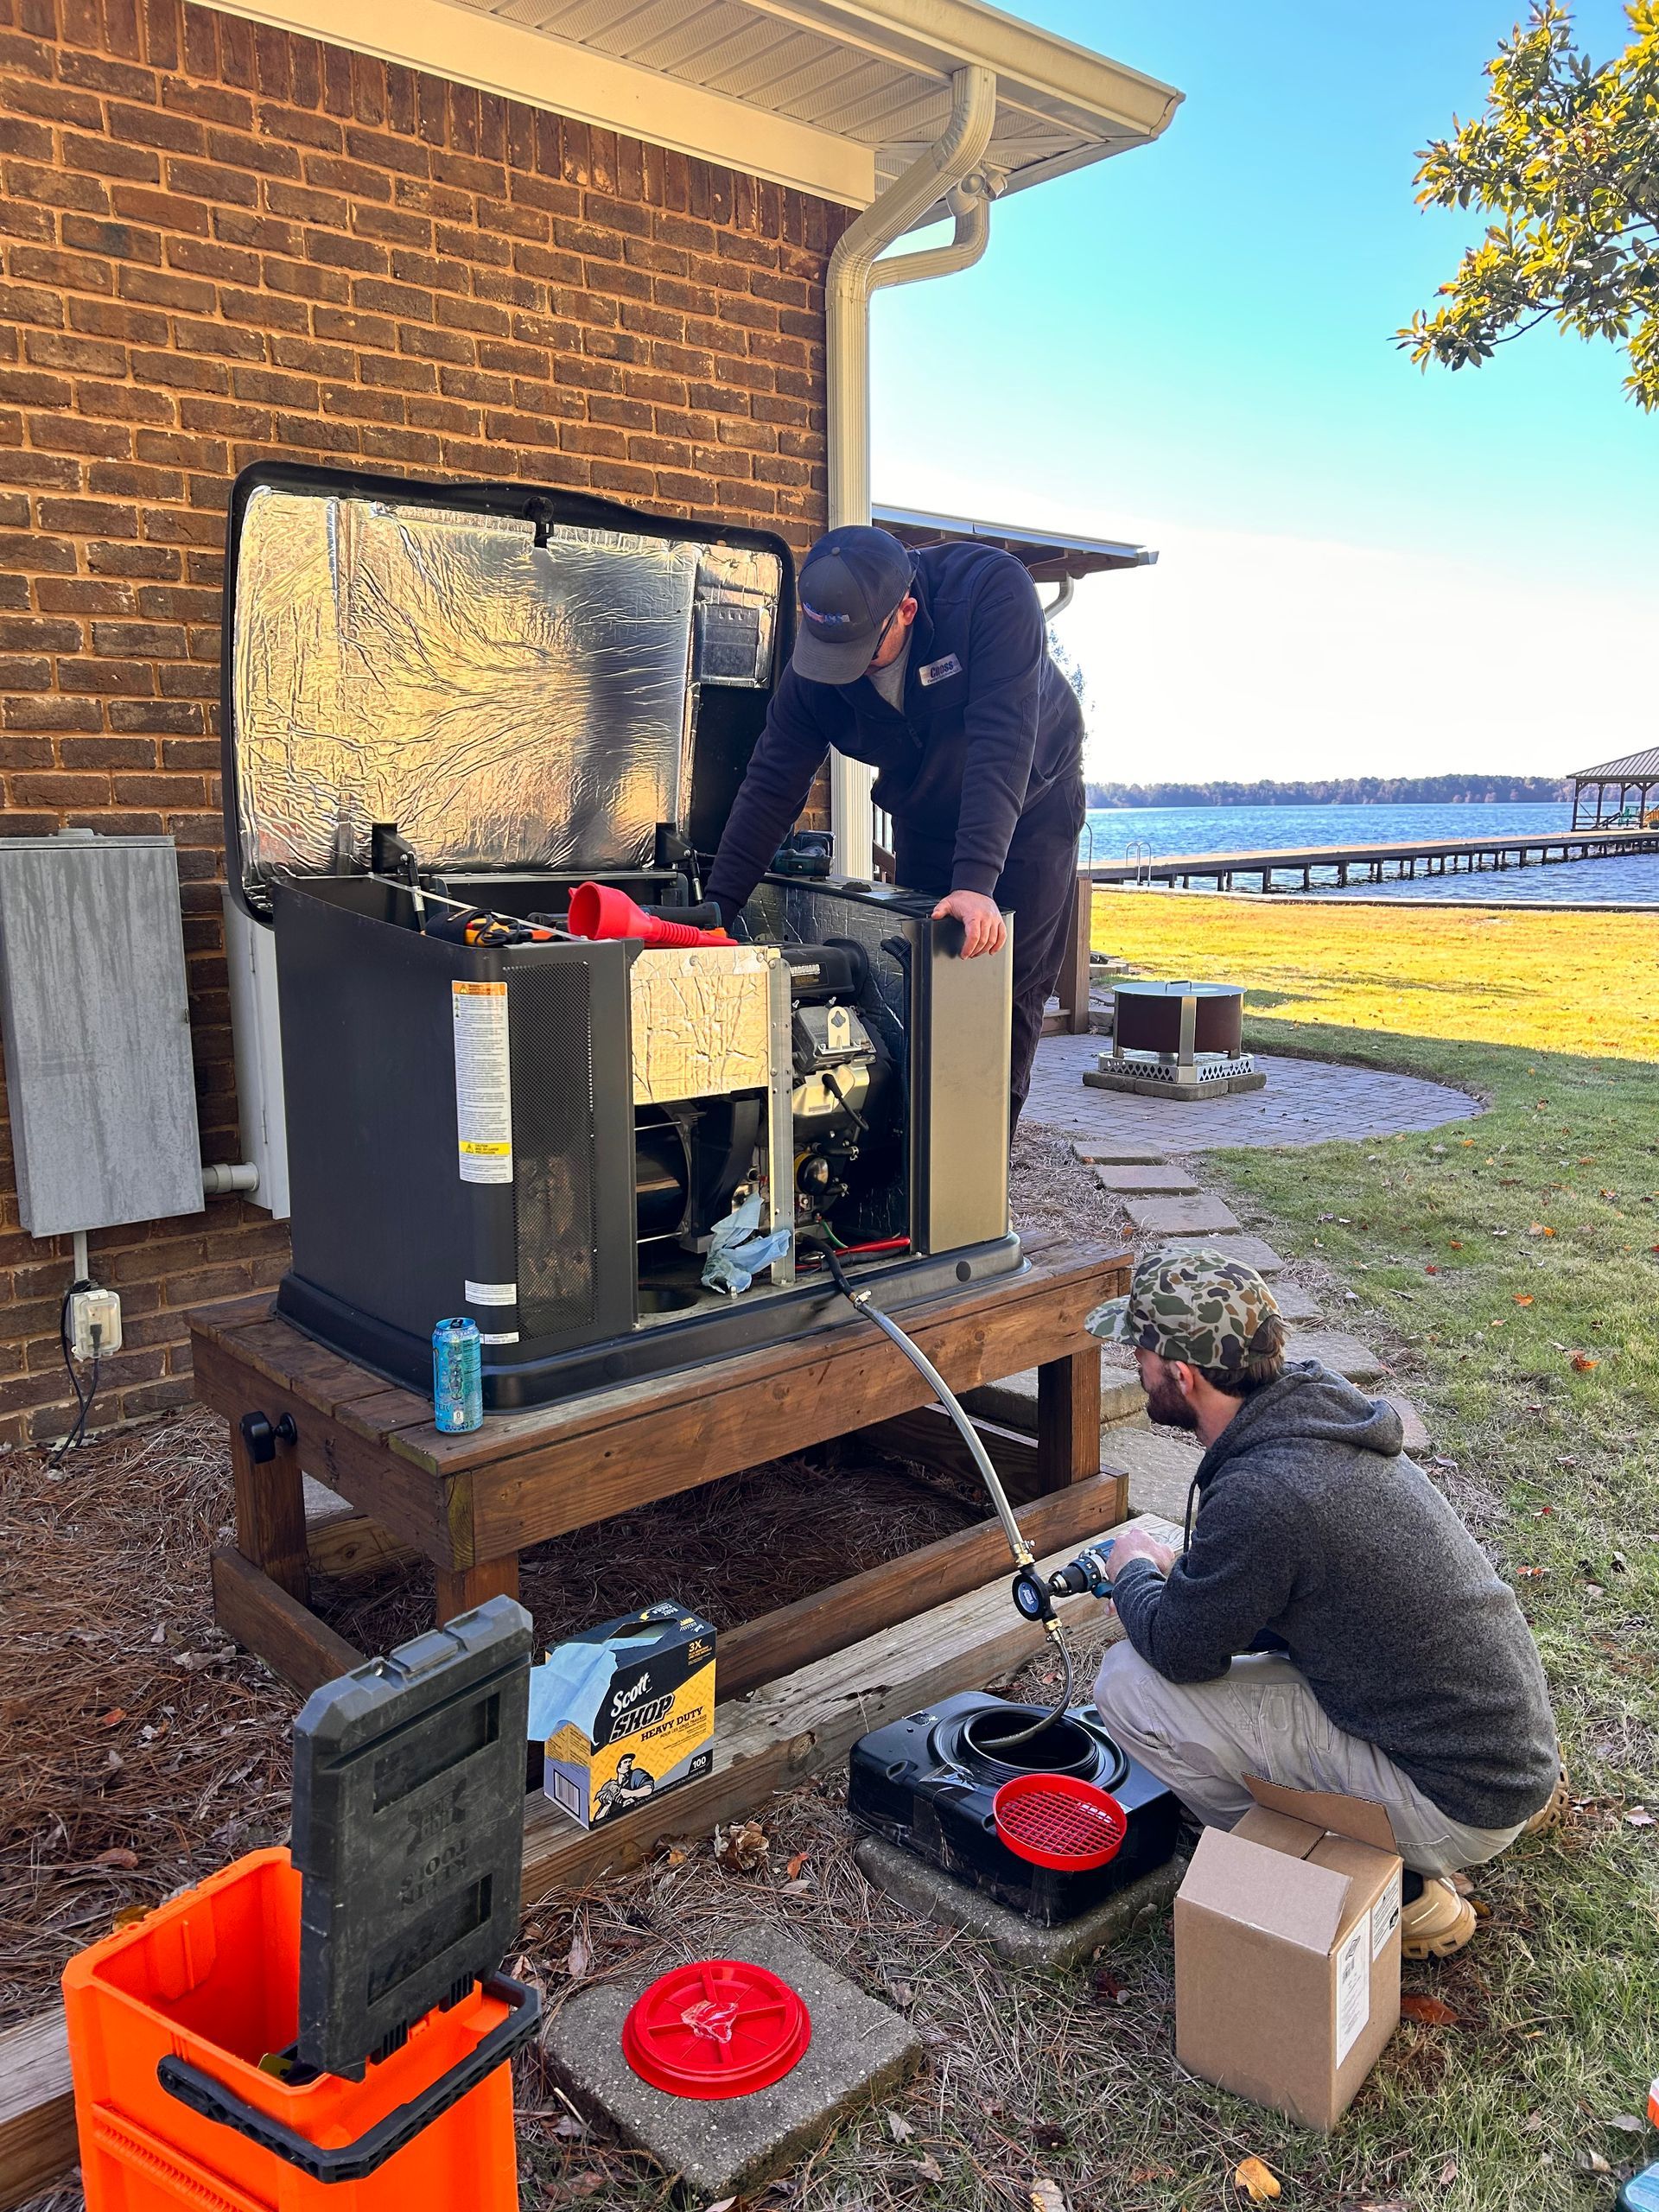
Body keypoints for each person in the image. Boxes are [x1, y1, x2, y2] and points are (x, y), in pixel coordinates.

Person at [1080, 1248, 1563, 1960]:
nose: (1135, 1367)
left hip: (1458, 1801)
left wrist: (1131, 1573)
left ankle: (1373, 1888)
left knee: (1129, 1688)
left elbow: (1180, 1651)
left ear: (1181, 1373)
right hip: (1501, 1753)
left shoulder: (1264, 1493)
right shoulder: (1318, 1418)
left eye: (1139, 1352)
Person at [704, 523, 1086, 1133]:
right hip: (927, 814)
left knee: (1003, 997)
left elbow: (1002, 741)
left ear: (905, 611)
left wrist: (976, 883)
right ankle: (914, 1182)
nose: (843, 672)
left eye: (859, 652)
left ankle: (979, 1192)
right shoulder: (818, 665)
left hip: (1030, 811)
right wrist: (718, 909)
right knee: (924, 993)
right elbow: (772, 782)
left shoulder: (990, 593)